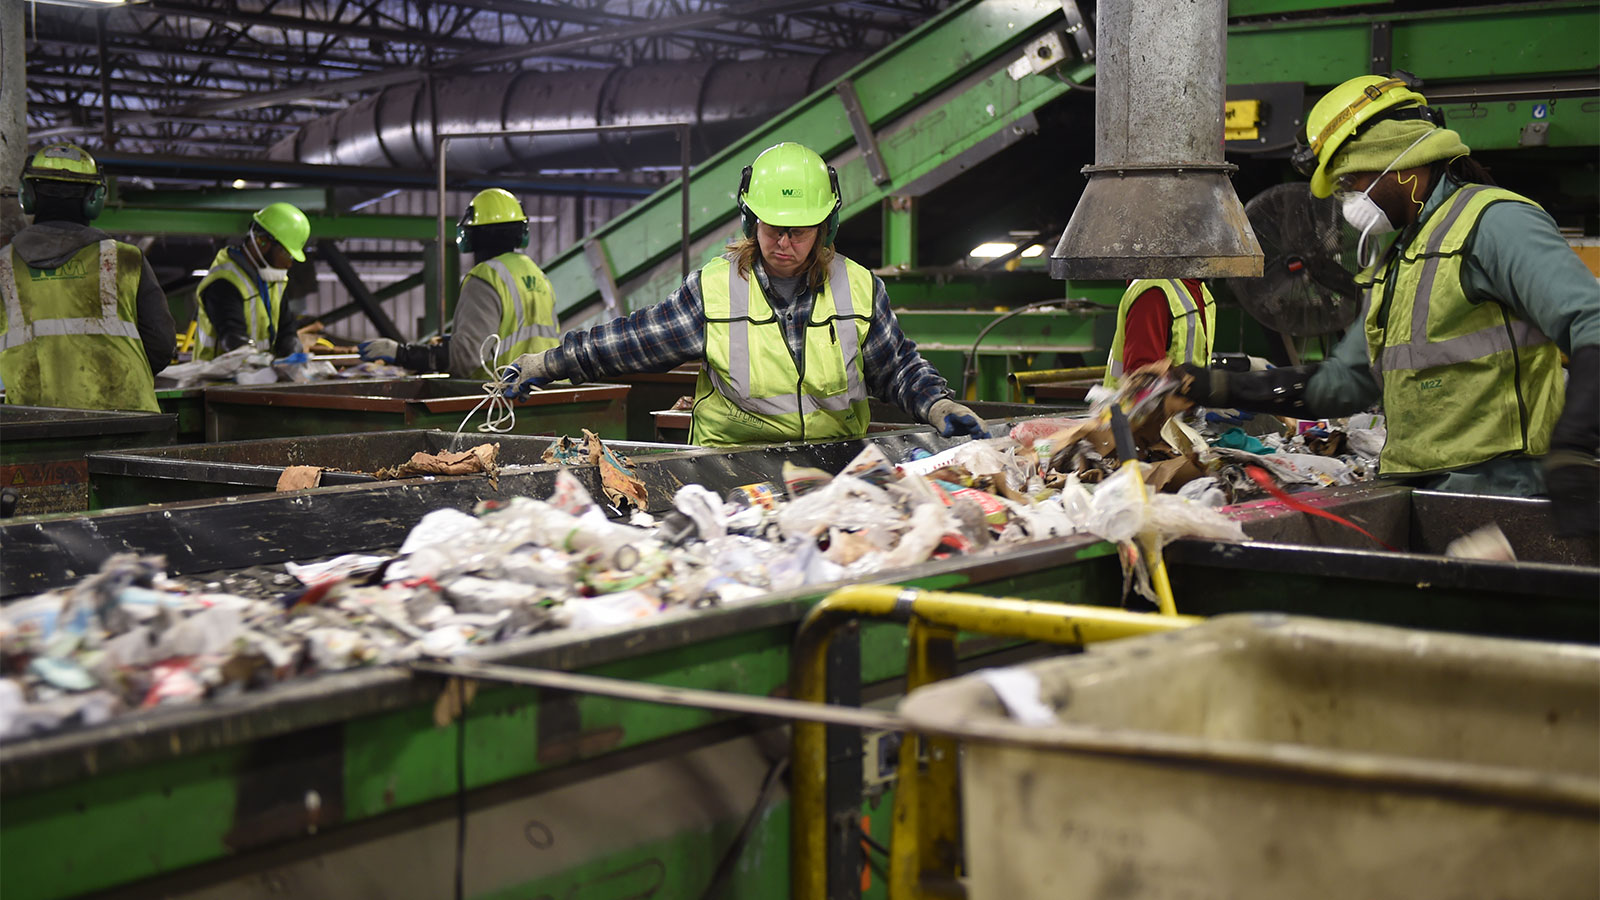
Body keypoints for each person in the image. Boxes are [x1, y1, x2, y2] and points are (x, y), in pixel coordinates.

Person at [1179, 73, 1598, 535]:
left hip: (1499, 496)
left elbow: (1591, 323)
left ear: (1396, 160)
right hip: (1423, 496)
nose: (1347, 198)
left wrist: (1575, 446)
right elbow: (1346, 384)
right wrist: (1215, 387)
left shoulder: (1495, 224)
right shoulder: (1400, 257)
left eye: (1350, 179)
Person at [505, 142, 985, 446]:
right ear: (750, 220)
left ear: (826, 226)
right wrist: (550, 364)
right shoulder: (715, 291)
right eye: (772, 228)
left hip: (833, 468)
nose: (783, 242)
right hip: (729, 469)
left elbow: (895, 367)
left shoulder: (858, 287)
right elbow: (633, 342)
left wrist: (937, 405)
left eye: (800, 231)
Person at [1, 143, 174, 412]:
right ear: (94, 199)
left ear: (28, 195)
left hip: (33, 425)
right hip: (129, 418)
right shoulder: (127, 260)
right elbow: (161, 344)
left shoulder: (3, 267)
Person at [358, 188, 557, 378]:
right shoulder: (538, 275)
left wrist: (401, 354)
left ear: (473, 234)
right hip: (546, 392)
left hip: (503, 397)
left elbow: (466, 358)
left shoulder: (486, 277)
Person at [193, 201, 309, 360]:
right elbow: (234, 340)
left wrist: (292, 351)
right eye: (285, 254)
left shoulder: (275, 281)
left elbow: (286, 330)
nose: (288, 264)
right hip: (218, 381)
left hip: (256, 379)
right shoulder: (224, 283)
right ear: (262, 241)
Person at [1102, 278, 1216, 387]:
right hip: (1126, 406)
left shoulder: (1198, 289)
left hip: (1185, 405)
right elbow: (1142, 385)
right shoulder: (1154, 295)